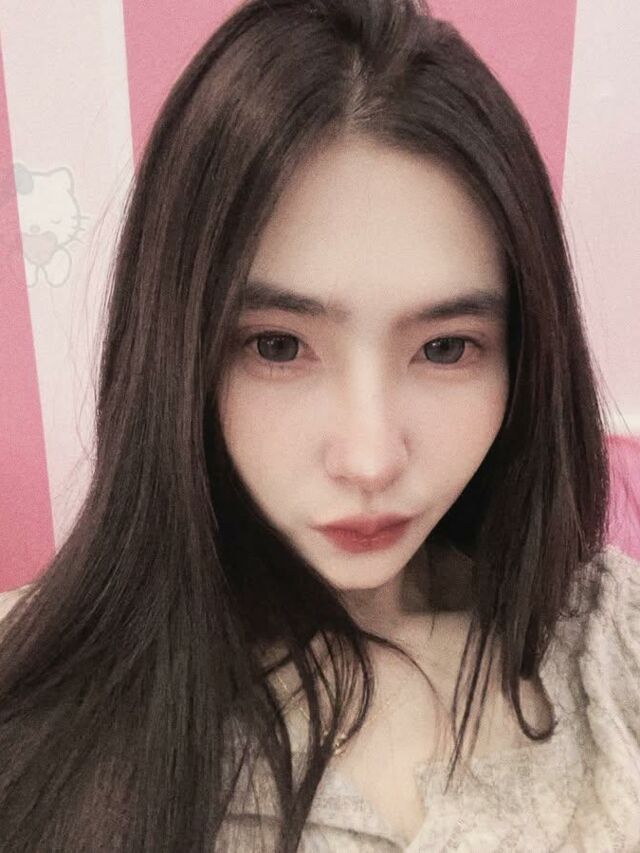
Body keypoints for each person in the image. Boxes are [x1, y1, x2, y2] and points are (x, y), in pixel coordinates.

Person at [0, 0, 638, 850]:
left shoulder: (613, 644)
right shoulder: (37, 703)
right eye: (278, 345)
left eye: (446, 347)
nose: (370, 459)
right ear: (179, 353)